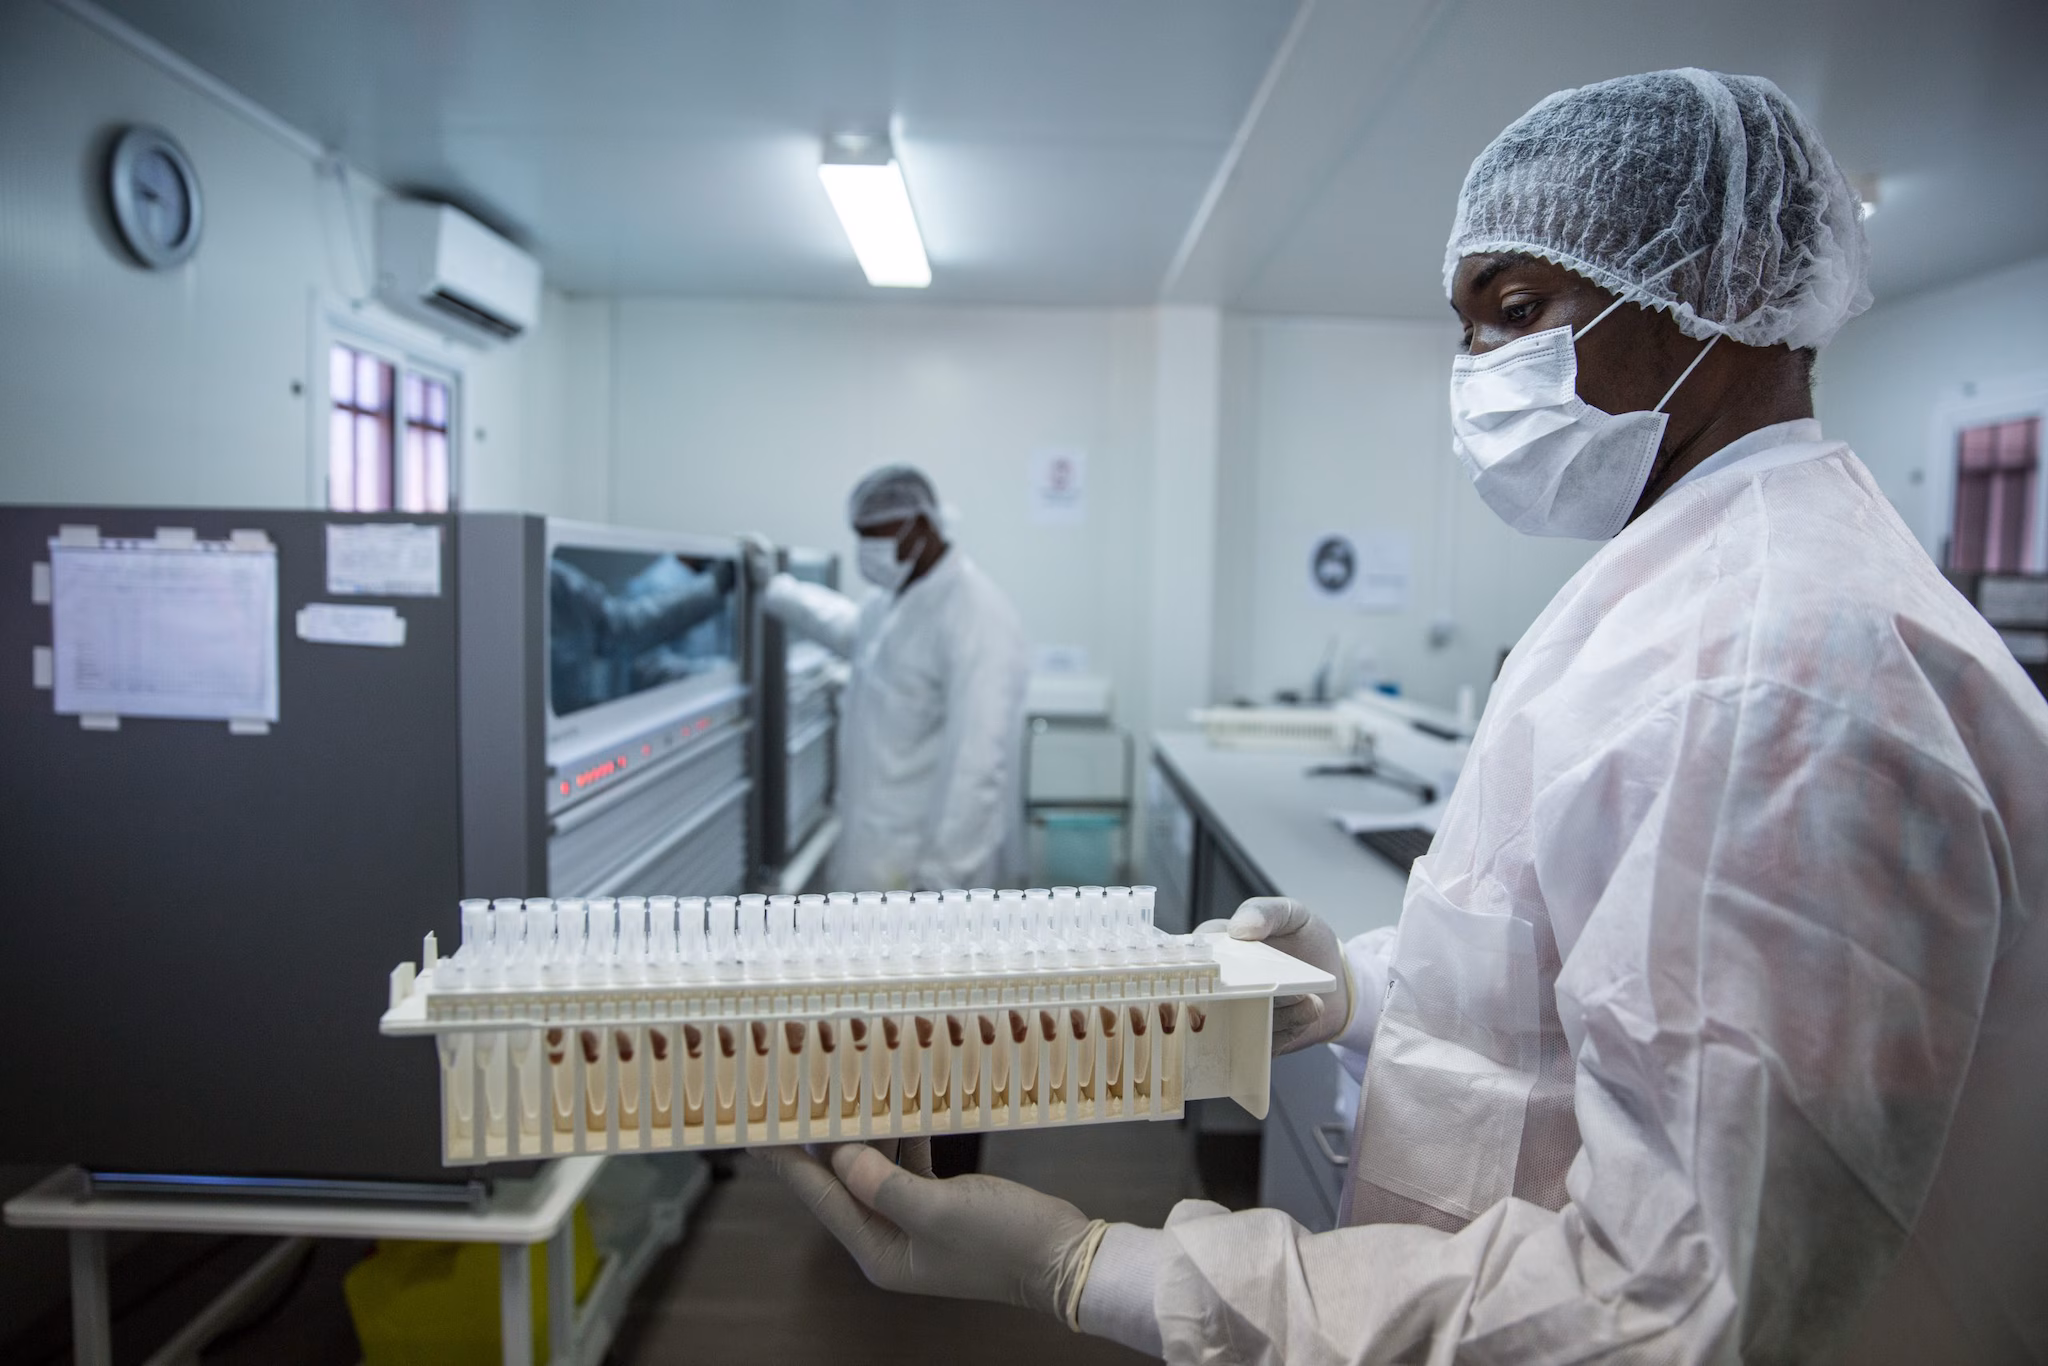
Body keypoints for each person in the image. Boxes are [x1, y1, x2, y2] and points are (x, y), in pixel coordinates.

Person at [758, 70, 2048, 1363]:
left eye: (1521, 310)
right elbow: (1596, 972)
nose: (1480, 372)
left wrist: (1097, 1266)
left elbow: (1665, 1311)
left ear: (1714, 298)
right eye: (1471, 327)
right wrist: (1358, 984)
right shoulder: (1700, 581)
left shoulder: (1778, 674)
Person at [750, 464, 1030, 893]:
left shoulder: (976, 617)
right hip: (872, 848)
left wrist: (943, 880)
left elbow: (977, 767)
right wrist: (776, 589)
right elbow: (851, 632)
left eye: (874, 535)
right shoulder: (892, 602)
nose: (865, 549)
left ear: (919, 526)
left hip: (923, 869)